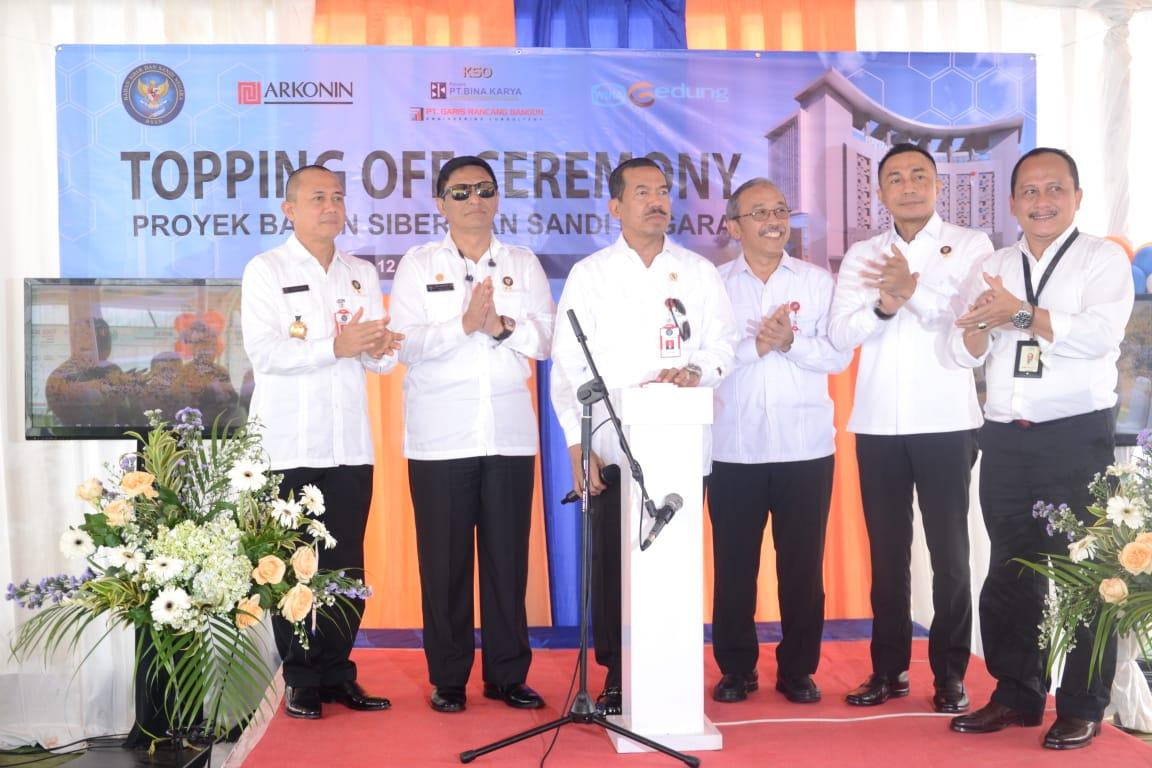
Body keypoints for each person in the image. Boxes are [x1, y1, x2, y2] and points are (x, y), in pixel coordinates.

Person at [949, 148, 1133, 749]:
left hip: (1075, 437)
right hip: (1003, 439)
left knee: (1083, 575)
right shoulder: (995, 263)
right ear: (1012, 204)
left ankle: (1081, 704)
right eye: (1029, 191)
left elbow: (1101, 337)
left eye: (1055, 189)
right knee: (1009, 572)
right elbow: (962, 353)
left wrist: (1021, 313)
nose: (1042, 201)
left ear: (1077, 197)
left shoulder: (1102, 259)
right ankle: (1016, 693)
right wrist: (978, 327)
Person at [550, 157, 737, 715]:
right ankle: (616, 672)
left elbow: (722, 344)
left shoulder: (698, 272)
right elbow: (568, 365)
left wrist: (696, 371)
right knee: (613, 565)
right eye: (642, 192)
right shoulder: (592, 274)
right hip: (612, 445)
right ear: (615, 207)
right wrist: (577, 444)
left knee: (673, 560)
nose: (657, 201)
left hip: (678, 445)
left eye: (663, 191)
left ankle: (675, 671)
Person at [828, 143, 991, 713]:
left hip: (947, 421)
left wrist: (913, 291)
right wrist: (886, 304)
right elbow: (840, 333)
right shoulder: (862, 254)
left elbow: (971, 316)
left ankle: (949, 674)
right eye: (895, 177)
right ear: (879, 191)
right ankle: (888, 670)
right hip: (877, 424)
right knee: (887, 552)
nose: (908, 185)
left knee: (950, 552)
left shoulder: (972, 245)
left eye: (919, 175)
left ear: (937, 185)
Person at [389, 155, 555, 714]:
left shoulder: (522, 264)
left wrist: (500, 325)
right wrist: (463, 325)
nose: (474, 200)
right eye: (461, 192)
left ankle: (508, 675)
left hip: (508, 435)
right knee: (445, 564)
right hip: (440, 438)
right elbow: (403, 346)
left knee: (508, 564)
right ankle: (450, 677)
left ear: (497, 198)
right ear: (440, 202)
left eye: (484, 190)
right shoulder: (417, 265)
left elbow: (548, 340)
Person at [241, 164, 401, 720]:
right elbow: (265, 353)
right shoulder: (266, 270)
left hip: (349, 447)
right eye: (317, 198)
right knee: (290, 566)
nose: (330, 207)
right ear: (290, 209)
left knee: (345, 568)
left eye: (337, 197)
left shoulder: (359, 272)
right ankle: (301, 677)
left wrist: (380, 347)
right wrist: (337, 344)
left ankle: (337, 673)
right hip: (288, 446)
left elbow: (380, 363)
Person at [709, 179, 852, 705]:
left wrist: (790, 342)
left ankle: (798, 670)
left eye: (780, 210)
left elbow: (838, 356)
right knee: (734, 567)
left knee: (801, 568)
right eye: (759, 212)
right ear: (733, 226)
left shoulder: (818, 283)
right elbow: (707, 359)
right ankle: (736, 669)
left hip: (805, 449)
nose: (773, 220)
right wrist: (757, 346)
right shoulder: (713, 285)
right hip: (733, 448)